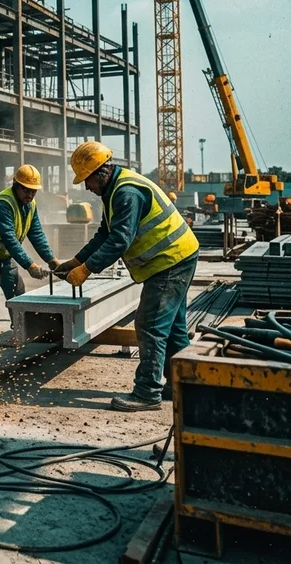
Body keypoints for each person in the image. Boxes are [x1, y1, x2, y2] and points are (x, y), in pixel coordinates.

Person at [54, 142, 199, 412]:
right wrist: (77, 260)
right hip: (179, 257)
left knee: (150, 325)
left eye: (87, 180)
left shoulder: (126, 193)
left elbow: (119, 241)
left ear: (101, 172)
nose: (87, 188)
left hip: (169, 261)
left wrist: (86, 270)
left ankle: (147, 393)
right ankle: (181, 386)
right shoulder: (115, 190)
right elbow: (105, 234)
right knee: (174, 329)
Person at [0, 165, 56, 344]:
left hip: (3, 250)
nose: (29, 195)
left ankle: (20, 326)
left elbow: (36, 233)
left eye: (33, 191)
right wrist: (30, 265)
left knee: (16, 287)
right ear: (16, 185)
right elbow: (10, 239)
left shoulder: (30, 205)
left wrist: (51, 259)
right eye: (26, 190)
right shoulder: (2, 204)